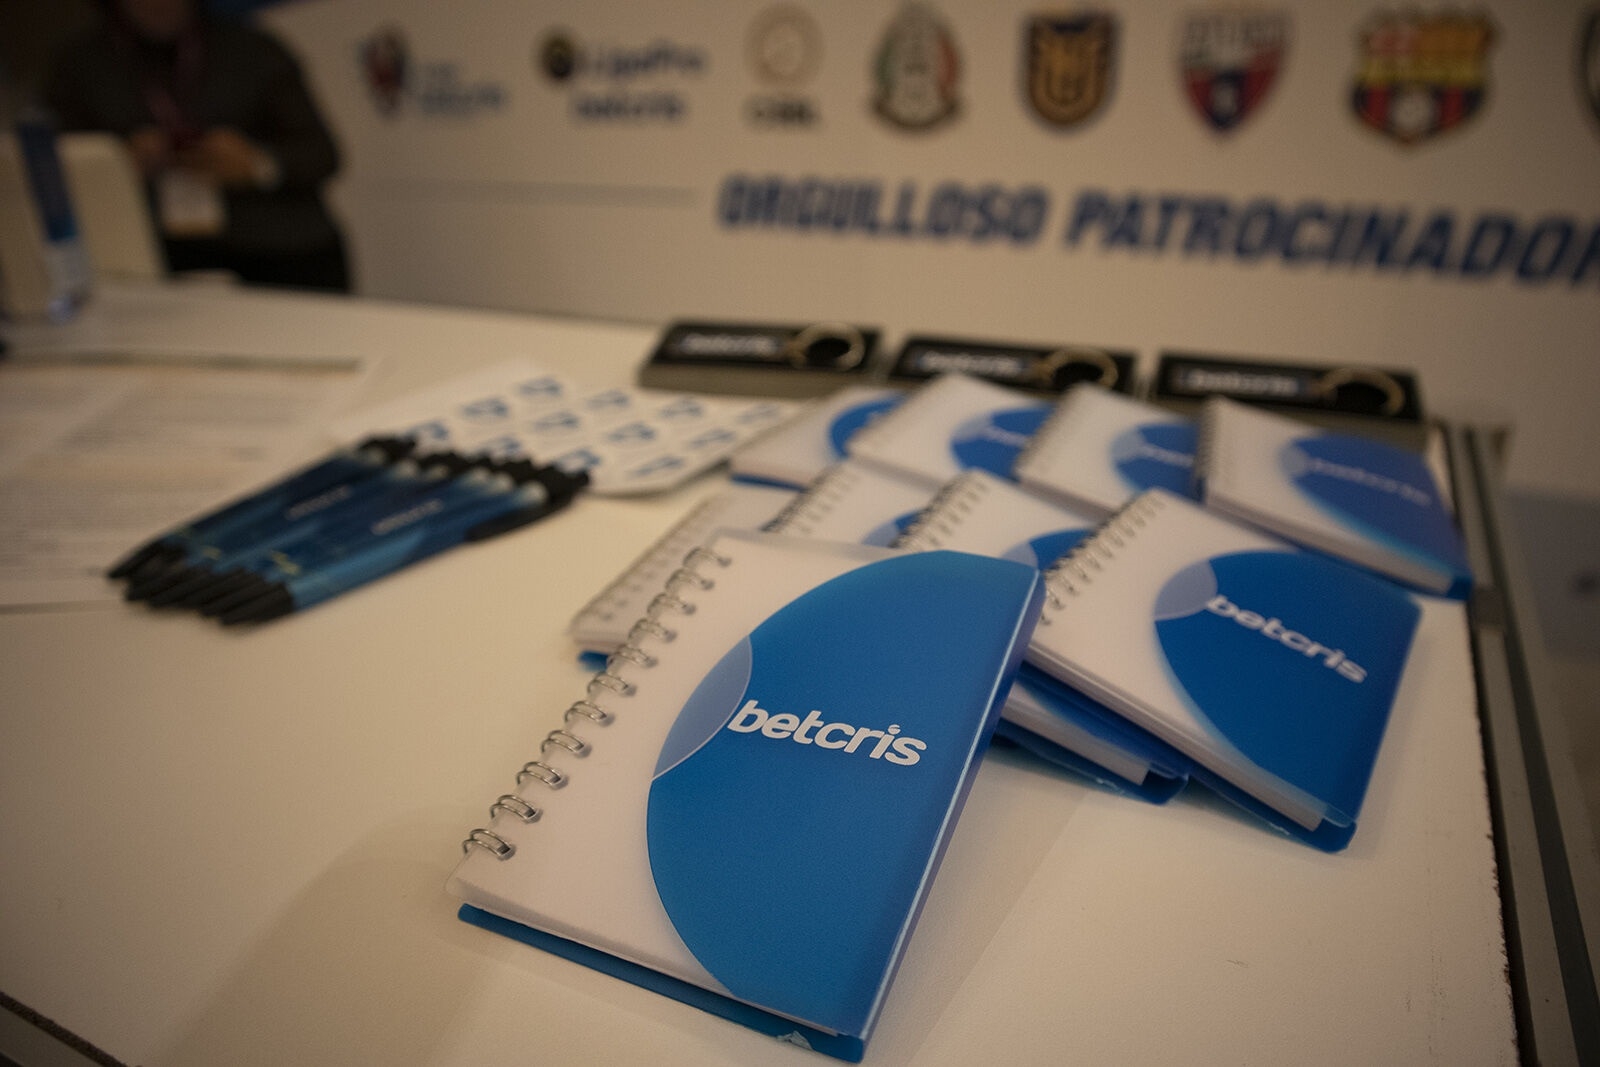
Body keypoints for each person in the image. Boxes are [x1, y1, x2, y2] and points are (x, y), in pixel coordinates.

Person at [44, 0, 350, 292]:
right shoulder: (80, 64)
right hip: (154, 256)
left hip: (280, 249)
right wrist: (116, 165)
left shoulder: (251, 48)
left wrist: (257, 164)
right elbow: (54, 172)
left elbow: (322, 154)